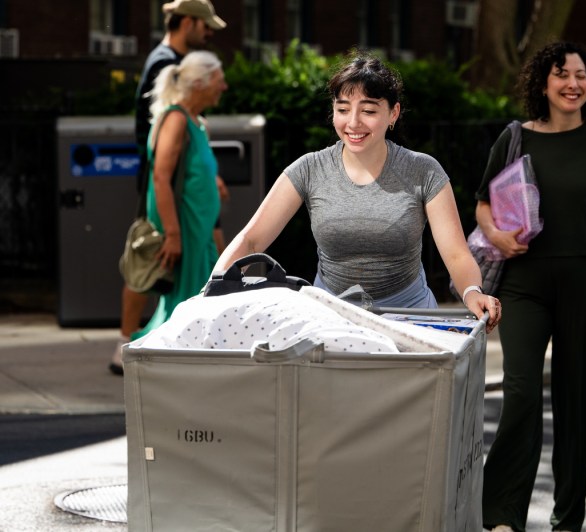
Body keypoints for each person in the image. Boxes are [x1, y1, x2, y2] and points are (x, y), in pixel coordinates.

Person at [478, 41, 586, 532]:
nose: (573, 84)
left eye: (581, 76)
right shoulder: (515, 138)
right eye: (561, 75)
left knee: (575, 408)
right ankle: (502, 517)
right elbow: (483, 205)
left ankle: (567, 521)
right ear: (542, 84)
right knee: (522, 394)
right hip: (524, 286)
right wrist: (495, 235)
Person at [212, 51, 501, 331]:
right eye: (342, 109)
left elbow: (456, 255)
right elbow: (251, 240)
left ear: (393, 113)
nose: (353, 123)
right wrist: (213, 289)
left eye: (368, 110)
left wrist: (472, 292)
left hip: (409, 317)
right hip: (331, 317)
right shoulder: (310, 168)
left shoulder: (423, 171)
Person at [109, 0, 227, 374]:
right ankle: (132, 347)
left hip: (189, 211)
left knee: (192, 288)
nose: (208, 33)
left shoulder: (191, 115)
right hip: (174, 207)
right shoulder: (166, 67)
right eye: (204, 26)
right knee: (157, 273)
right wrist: (172, 230)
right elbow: (163, 169)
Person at [127, 50, 228, 343]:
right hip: (185, 230)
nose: (224, 87)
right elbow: (160, 177)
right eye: (219, 80)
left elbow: (193, 168)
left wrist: (214, 181)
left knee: (201, 301)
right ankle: (159, 356)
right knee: (186, 306)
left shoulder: (197, 123)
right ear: (199, 83)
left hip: (200, 230)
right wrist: (172, 234)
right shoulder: (176, 118)